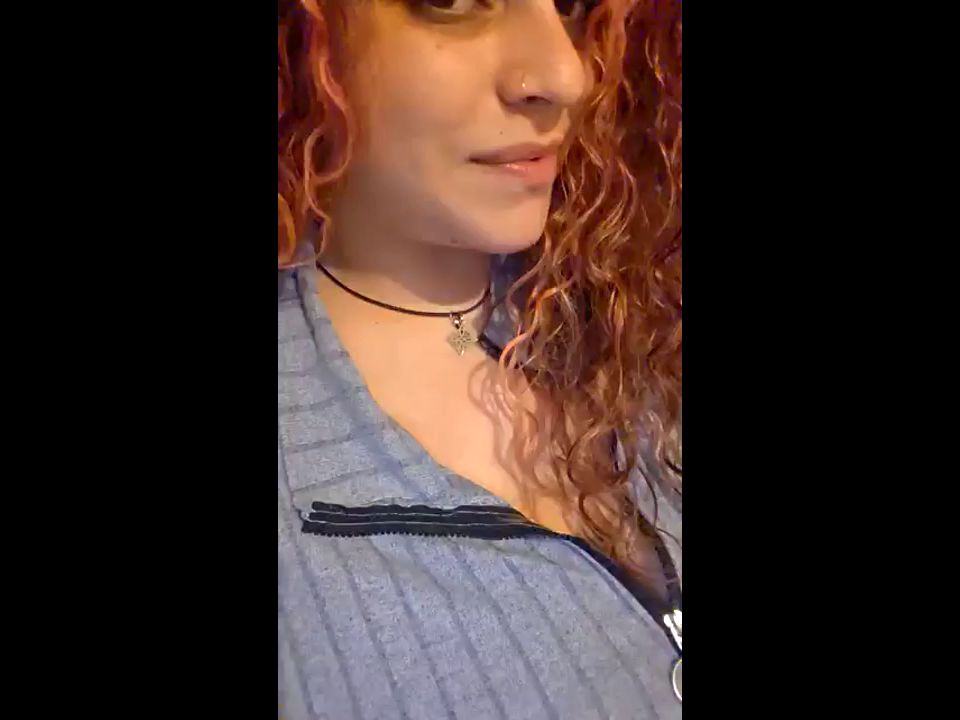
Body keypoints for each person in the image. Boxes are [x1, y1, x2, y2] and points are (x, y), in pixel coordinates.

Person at [277, 1, 682, 717]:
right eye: (454, 2)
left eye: (571, 5)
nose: (566, 74)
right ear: (302, 38)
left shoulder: (631, 306)